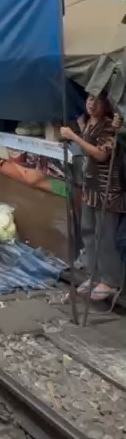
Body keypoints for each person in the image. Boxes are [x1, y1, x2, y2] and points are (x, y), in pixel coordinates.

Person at [62, 95, 124, 301]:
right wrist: (79, 130)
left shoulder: (109, 126)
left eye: (97, 100)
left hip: (107, 190)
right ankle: (94, 275)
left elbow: (100, 154)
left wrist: (74, 136)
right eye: (89, 99)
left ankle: (111, 281)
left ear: (107, 104)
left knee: (104, 236)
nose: (91, 103)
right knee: (88, 232)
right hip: (90, 188)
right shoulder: (88, 122)